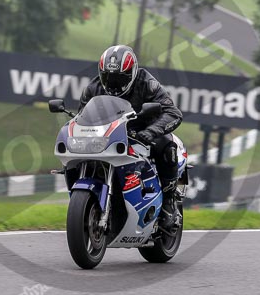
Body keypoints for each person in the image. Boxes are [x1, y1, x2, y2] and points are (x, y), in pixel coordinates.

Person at [78, 44, 183, 229]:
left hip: (143, 131)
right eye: (108, 78)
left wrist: (150, 132)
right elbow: (81, 117)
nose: (113, 83)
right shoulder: (93, 87)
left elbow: (173, 112)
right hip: (109, 136)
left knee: (167, 144)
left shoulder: (147, 83)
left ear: (132, 73)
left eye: (119, 78)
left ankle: (168, 201)